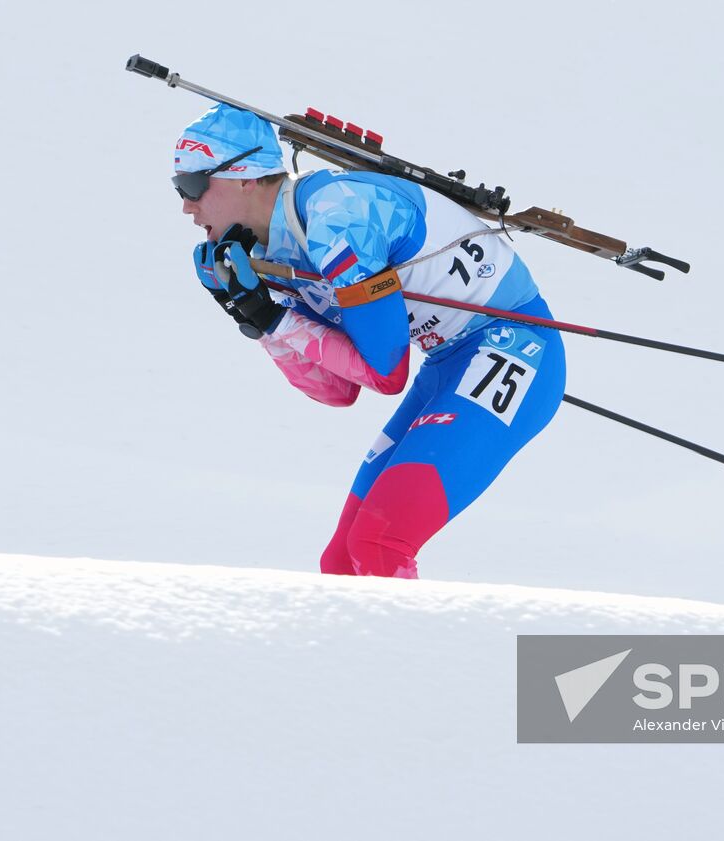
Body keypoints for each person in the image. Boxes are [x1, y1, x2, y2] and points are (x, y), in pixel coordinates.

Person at [174, 104, 566, 579]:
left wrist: (277, 319)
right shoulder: (269, 252)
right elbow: (336, 390)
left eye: (194, 186)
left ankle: (416, 653)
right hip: (447, 364)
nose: (186, 206)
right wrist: (259, 318)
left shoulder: (337, 216)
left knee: (380, 543)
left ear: (245, 177)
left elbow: (384, 374)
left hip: (512, 346)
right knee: (341, 563)